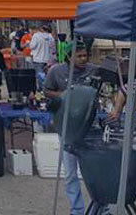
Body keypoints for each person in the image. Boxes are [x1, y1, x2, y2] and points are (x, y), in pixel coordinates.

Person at [43, 42, 97, 215]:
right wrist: (66, 96)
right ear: (68, 57)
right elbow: (47, 91)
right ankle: (77, 210)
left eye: (84, 55)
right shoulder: (56, 72)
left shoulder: (93, 70)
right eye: (78, 56)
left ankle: (99, 206)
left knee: (93, 171)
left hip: (89, 127)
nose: (83, 59)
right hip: (67, 127)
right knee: (70, 173)